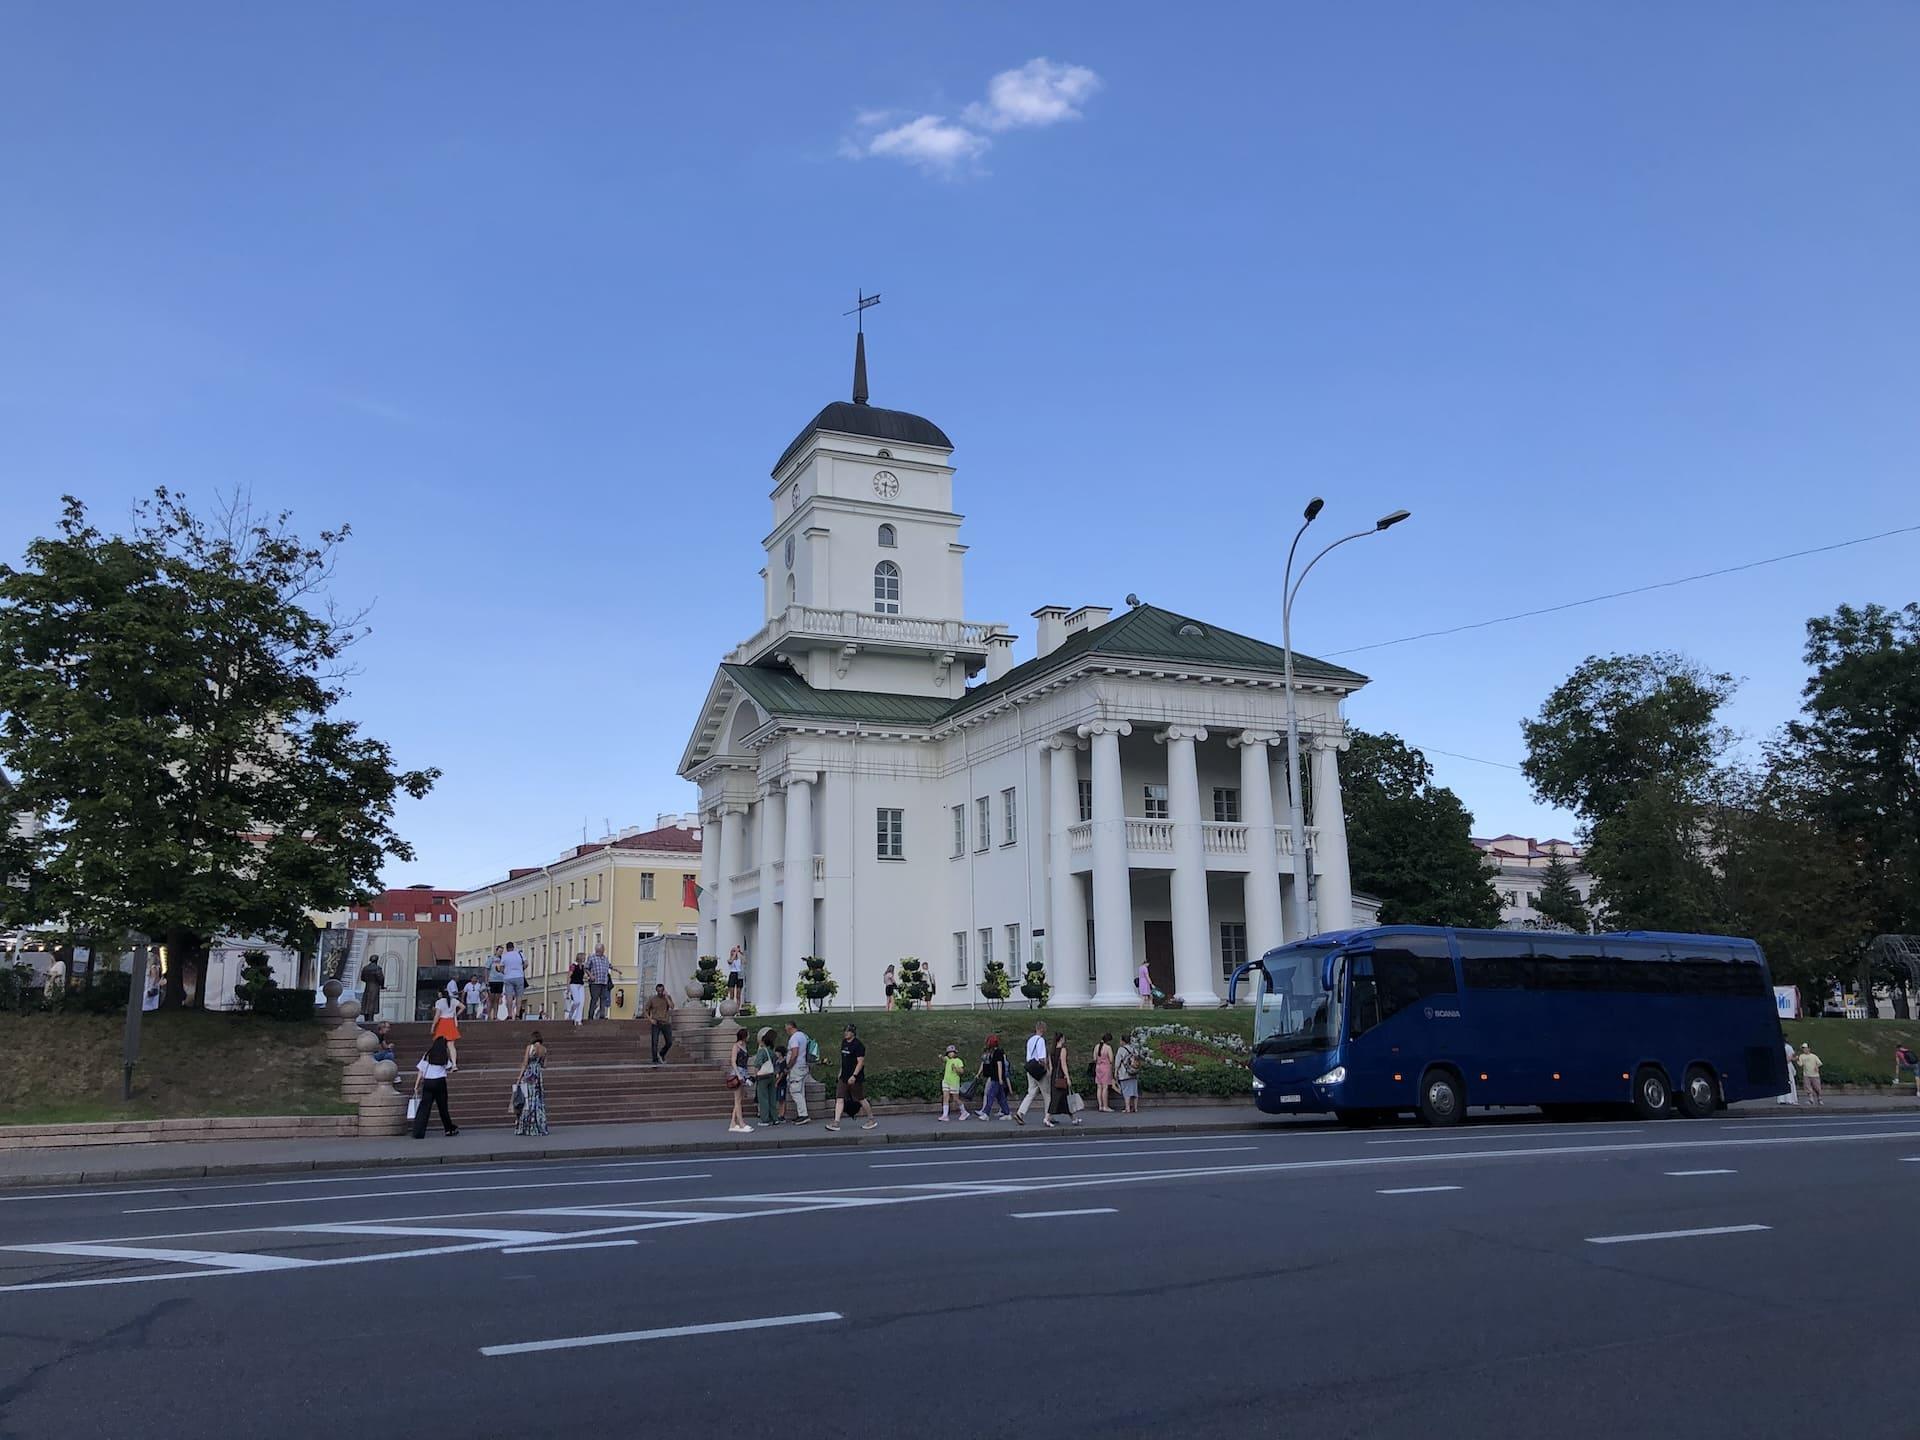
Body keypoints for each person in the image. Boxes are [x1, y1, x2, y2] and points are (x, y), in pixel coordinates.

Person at [827, 1022, 877, 1131]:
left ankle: (871, 1119)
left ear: (853, 1033)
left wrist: (854, 1075)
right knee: (839, 1098)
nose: (846, 1033)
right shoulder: (844, 1043)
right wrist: (841, 1072)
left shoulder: (858, 1045)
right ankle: (836, 1122)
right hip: (844, 1076)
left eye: (848, 1031)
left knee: (860, 1098)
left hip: (855, 1078)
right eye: (845, 1031)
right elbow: (844, 1060)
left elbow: (860, 1062)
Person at [411, 1036, 458, 1139]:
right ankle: (449, 1129)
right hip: (440, 1082)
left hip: (428, 1082)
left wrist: (416, 1086)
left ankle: (418, 1132)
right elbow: (449, 1067)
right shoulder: (444, 1055)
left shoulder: (427, 1055)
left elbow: (421, 1071)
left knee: (424, 1108)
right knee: (443, 1107)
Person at [514, 1030, 549, 1136]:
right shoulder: (544, 1049)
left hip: (529, 1075)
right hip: (538, 1076)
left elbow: (525, 1063)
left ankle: (526, 1126)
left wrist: (519, 1078)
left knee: (527, 1100)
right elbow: (545, 1065)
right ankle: (538, 1125)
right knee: (537, 1101)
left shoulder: (530, 1048)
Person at [1016, 1020, 1049, 1124]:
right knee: (1047, 1094)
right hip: (1039, 1069)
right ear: (1042, 1029)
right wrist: (1046, 1068)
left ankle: (1020, 1112)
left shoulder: (1030, 1040)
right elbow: (1042, 1057)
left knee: (1031, 1092)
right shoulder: (1041, 1040)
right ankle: (1048, 1116)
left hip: (1030, 1067)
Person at [1047, 1031, 1082, 1128]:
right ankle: (1047, 1118)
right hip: (1061, 1077)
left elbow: (1050, 1067)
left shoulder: (1051, 1051)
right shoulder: (1063, 1050)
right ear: (1061, 1039)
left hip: (1054, 1076)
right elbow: (1063, 1064)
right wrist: (1067, 1076)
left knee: (1064, 1098)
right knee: (1057, 1099)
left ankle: (1073, 1118)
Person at [976, 1035, 1012, 1120]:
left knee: (990, 1095)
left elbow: (999, 1065)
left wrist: (1000, 1078)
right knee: (1001, 1097)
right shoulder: (995, 1052)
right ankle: (1007, 1113)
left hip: (996, 1078)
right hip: (995, 1077)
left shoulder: (997, 1053)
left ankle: (986, 1113)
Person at [784, 1020, 813, 1124]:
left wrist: (788, 1066)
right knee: (801, 1091)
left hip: (796, 1067)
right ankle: (802, 1113)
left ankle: (803, 1115)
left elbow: (795, 1053)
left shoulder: (794, 1038)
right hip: (804, 1066)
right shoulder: (803, 1035)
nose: (786, 1031)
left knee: (795, 1091)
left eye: (786, 1029)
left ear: (790, 1027)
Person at [751, 1027, 781, 1128]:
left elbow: (757, 1064)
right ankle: (775, 1118)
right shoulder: (772, 1052)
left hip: (763, 1077)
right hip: (772, 1076)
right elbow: (776, 1064)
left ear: (763, 1041)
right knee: (772, 1097)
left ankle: (765, 1119)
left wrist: (756, 1076)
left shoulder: (762, 1051)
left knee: (763, 1098)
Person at [429, 984, 462, 1071]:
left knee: (441, 1044)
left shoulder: (439, 1002)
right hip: (451, 1022)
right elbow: (463, 1007)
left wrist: (433, 1026)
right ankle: (454, 1064)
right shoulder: (453, 1000)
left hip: (442, 1023)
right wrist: (456, 1014)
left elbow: (437, 1016)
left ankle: (447, 1063)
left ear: (440, 993)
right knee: (451, 1045)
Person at [727, 1027, 753, 1134]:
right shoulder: (736, 1046)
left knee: (739, 1100)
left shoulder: (744, 1046)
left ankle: (733, 1123)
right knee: (737, 1100)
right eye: (748, 1034)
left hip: (743, 1072)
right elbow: (733, 1061)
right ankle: (741, 1123)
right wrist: (739, 1075)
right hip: (738, 1073)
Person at [644, 983, 676, 1065]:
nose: (660, 992)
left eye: (661, 990)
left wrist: (666, 997)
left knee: (669, 1042)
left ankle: (661, 1054)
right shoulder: (652, 999)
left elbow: (672, 1006)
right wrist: (650, 1019)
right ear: (656, 991)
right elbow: (645, 1010)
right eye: (658, 991)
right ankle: (655, 1060)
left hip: (666, 1022)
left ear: (664, 990)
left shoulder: (667, 997)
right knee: (654, 1042)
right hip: (656, 1022)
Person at [938, 1044, 972, 1122]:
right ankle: (945, 1115)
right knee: (945, 1097)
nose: (951, 1053)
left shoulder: (958, 1061)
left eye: (952, 1052)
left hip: (954, 1082)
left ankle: (964, 1112)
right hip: (946, 1081)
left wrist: (956, 1068)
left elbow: (962, 1071)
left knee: (955, 1098)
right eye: (949, 1052)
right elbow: (944, 1059)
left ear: (955, 1053)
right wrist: (941, 1057)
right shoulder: (948, 1059)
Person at [1116, 1031, 1144, 1114]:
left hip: (1125, 1073)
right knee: (1134, 1092)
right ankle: (1135, 1108)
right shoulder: (1133, 1049)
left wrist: (1115, 1072)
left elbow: (1117, 1062)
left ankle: (1127, 1108)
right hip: (1134, 1073)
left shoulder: (1121, 1050)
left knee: (1126, 1091)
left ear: (1123, 1041)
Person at [586, 943, 613, 1020]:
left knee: (603, 998)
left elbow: (609, 965)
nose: (600, 952)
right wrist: (591, 976)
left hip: (604, 981)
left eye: (601, 951)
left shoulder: (605, 958)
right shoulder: (591, 957)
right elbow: (586, 968)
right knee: (594, 999)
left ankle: (602, 1015)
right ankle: (590, 1016)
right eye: (599, 951)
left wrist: (617, 970)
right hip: (595, 982)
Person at [501, 942, 527, 1021]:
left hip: (508, 977)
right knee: (519, 996)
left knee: (509, 996)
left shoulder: (504, 956)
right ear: (513, 947)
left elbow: (501, 968)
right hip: (519, 976)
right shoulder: (519, 954)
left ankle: (509, 1015)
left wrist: (505, 972)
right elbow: (526, 963)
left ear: (507, 948)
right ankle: (517, 1015)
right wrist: (521, 970)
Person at [1093, 1033, 1118, 1113]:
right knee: (1105, 1087)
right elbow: (1111, 1059)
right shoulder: (1108, 1048)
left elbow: (1094, 1058)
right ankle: (1105, 1106)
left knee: (1099, 1087)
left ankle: (1100, 1106)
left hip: (1098, 1067)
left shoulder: (1096, 1046)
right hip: (1106, 1068)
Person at [358, 955, 385, 1020]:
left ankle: (366, 1017)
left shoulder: (365, 968)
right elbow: (381, 978)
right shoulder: (377, 968)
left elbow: (362, 978)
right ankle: (370, 1018)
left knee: (366, 1002)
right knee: (372, 1002)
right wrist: (382, 985)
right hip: (374, 986)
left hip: (367, 986)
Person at [565, 954, 587, 1026]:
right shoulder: (573, 966)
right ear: (580, 958)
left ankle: (578, 1020)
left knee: (581, 1002)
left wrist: (588, 978)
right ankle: (571, 1013)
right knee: (577, 1001)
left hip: (581, 985)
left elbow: (582, 976)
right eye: (584, 958)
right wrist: (568, 987)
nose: (584, 959)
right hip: (573, 984)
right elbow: (569, 976)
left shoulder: (583, 966)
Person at [486, 948, 506, 1020]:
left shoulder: (503, 959)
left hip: (500, 980)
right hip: (492, 980)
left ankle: (495, 1015)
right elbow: (486, 969)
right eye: (500, 951)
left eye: (502, 951)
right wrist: (486, 980)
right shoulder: (491, 959)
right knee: (491, 998)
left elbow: (504, 969)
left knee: (497, 999)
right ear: (496, 951)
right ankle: (488, 1015)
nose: (501, 952)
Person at [1777, 1038, 1798, 1105]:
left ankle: (1784, 1099)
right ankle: (1787, 1099)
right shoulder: (1787, 1047)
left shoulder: (1783, 1047)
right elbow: (1790, 1058)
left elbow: (1788, 1058)